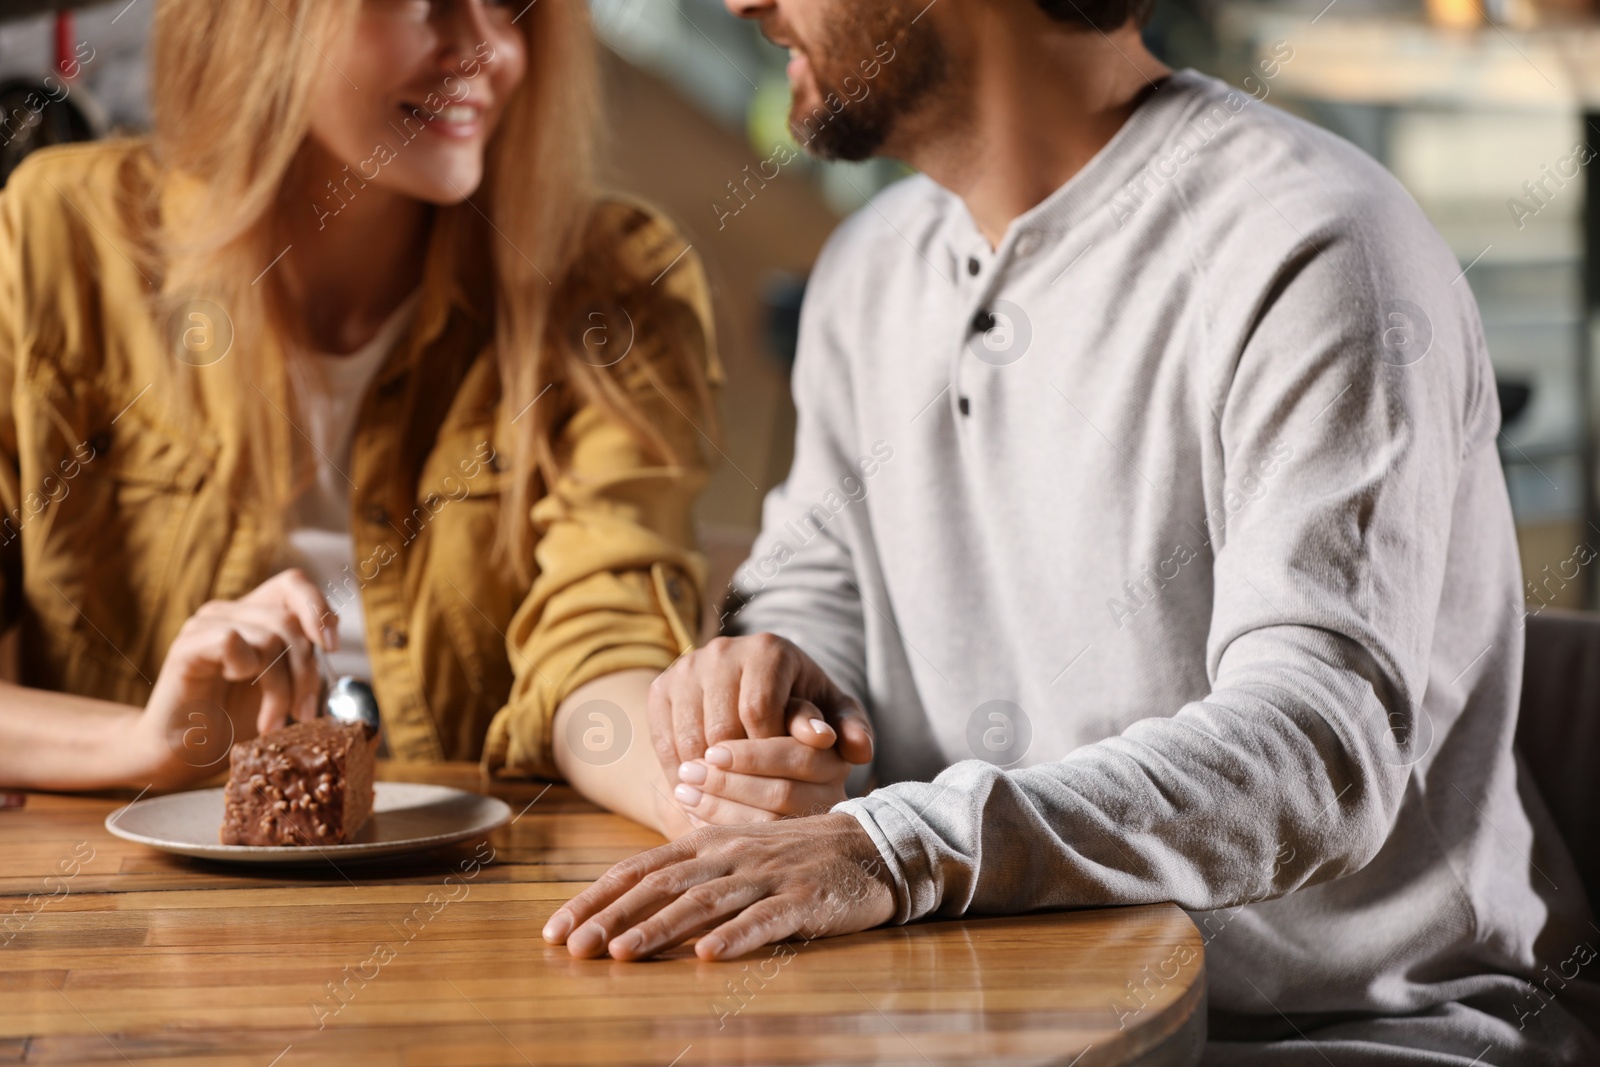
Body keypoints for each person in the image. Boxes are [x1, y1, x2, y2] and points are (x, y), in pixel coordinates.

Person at [541, 0, 1600, 1063]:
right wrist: (770, 692)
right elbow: (814, 588)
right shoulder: (865, 269)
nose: (740, 3)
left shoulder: (1316, 245)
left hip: (1365, 1028)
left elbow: (1315, 752)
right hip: (990, 1001)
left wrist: (899, 847)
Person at [0, 0, 759, 837]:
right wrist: (141, 743)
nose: (484, 52)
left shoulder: (614, 283)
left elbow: (601, 643)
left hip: (477, 905)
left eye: (509, 8)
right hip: (131, 922)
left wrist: (704, 799)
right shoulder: (55, 239)